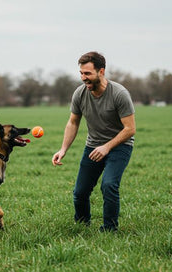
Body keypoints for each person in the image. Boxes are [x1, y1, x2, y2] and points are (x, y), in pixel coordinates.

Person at [52, 51, 136, 232]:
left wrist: (106, 147)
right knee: (80, 192)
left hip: (120, 146)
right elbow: (73, 122)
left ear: (101, 71)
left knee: (109, 185)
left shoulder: (119, 94)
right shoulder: (80, 94)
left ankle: (110, 229)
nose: (83, 78)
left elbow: (130, 129)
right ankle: (82, 226)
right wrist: (63, 149)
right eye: (81, 73)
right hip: (93, 146)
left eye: (88, 73)